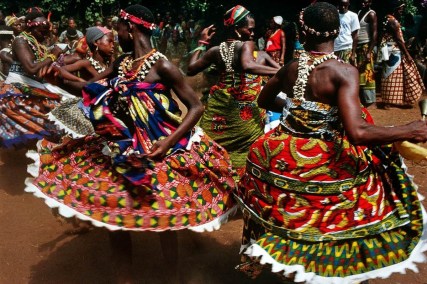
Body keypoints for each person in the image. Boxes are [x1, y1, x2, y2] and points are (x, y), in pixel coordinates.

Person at [26, 4, 237, 283]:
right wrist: (60, 81)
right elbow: (91, 90)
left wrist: (167, 143)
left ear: (132, 27)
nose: (116, 34)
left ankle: (172, 277)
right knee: (115, 215)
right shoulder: (121, 64)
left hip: (161, 149)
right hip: (121, 146)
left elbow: (195, 106)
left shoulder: (162, 64)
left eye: (119, 29)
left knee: (166, 216)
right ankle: (123, 279)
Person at [235, 2, 427, 283]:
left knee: (288, 219)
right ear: (339, 32)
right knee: (359, 194)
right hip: (321, 156)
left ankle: (289, 263)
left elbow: (264, 100)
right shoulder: (343, 72)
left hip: (280, 152)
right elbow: (357, 133)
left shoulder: (291, 67)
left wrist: (297, 111)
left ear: (302, 30)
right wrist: (409, 128)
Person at [187, 5, 280, 177]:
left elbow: (191, 68)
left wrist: (202, 43)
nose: (252, 33)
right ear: (237, 29)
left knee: (214, 146)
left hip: (219, 110)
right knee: (247, 152)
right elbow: (247, 65)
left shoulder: (215, 51)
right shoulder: (247, 45)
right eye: (249, 29)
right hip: (244, 115)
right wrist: (283, 72)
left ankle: (216, 177)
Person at [0, 8, 73, 148]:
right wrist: (53, 55)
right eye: (42, 32)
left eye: (47, 32)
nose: (45, 36)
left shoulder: (39, 43)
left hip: (35, 84)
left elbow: (41, 69)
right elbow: (31, 68)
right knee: (53, 109)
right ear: (31, 28)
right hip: (19, 84)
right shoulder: (21, 41)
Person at [378, 0, 425, 109]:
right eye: (400, 9)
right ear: (395, 10)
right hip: (394, 50)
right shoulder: (393, 22)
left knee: (389, 75)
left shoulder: (386, 19)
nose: (402, 11)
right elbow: (399, 40)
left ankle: (388, 101)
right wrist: (407, 54)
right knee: (393, 75)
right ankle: (391, 101)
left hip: (387, 50)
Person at [357, 0, 377, 107]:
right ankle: (362, 99)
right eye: (362, 1)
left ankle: (370, 100)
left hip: (366, 47)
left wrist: (369, 51)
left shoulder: (372, 14)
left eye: (365, 2)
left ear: (370, 2)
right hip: (358, 47)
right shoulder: (360, 12)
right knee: (360, 72)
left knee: (368, 73)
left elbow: (374, 34)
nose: (363, 3)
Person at [334, 0, 360, 65]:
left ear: (348, 5)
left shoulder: (353, 16)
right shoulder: (334, 15)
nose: (343, 7)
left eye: (345, 6)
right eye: (341, 5)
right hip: (335, 48)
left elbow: (355, 35)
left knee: (347, 70)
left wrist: (353, 54)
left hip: (347, 48)